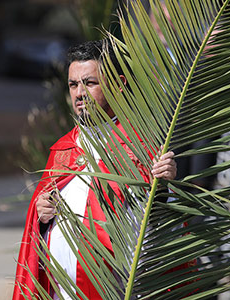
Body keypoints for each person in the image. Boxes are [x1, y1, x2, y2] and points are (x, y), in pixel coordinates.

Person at [12, 40, 181, 300]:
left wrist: (166, 184)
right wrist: (42, 215)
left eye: (90, 83)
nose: (79, 93)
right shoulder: (64, 150)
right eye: (73, 84)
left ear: (118, 84)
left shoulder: (141, 149)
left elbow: (162, 225)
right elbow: (38, 231)